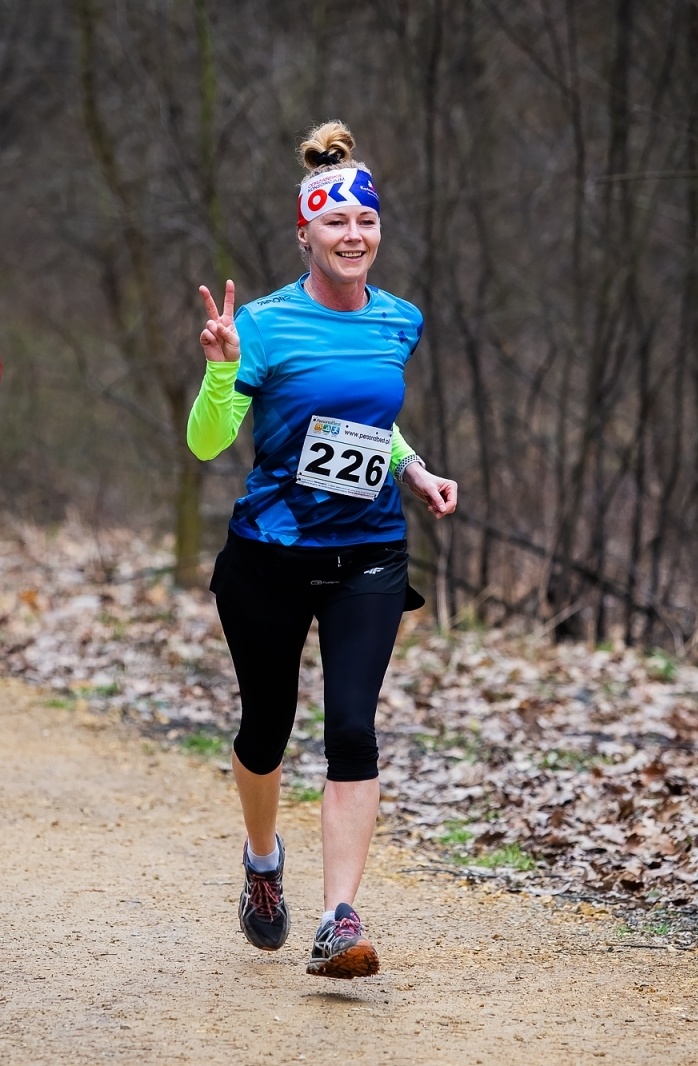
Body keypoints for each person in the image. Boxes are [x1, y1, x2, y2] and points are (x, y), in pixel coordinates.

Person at [187, 122, 458, 978]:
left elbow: (366, 421)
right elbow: (206, 442)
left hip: (369, 552)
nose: (353, 235)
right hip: (268, 554)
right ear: (304, 233)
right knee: (266, 727)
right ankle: (263, 862)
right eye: (335, 222)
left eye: (366, 221)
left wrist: (412, 468)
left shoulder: (399, 321)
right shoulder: (263, 325)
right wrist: (222, 370)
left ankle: (341, 917)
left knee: (352, 729)